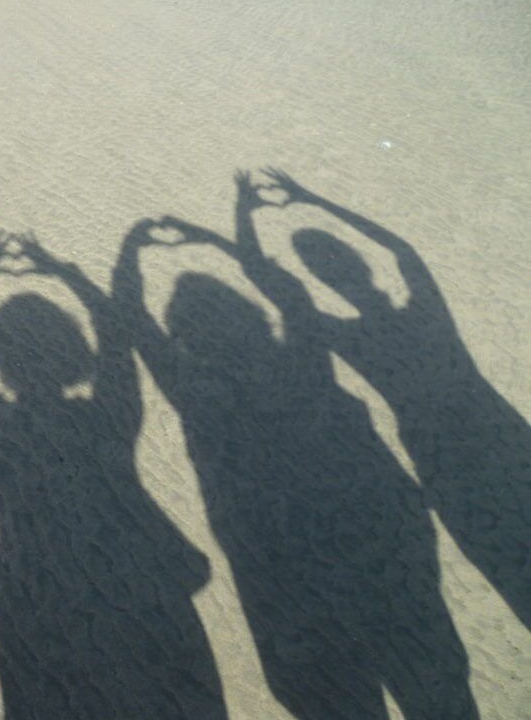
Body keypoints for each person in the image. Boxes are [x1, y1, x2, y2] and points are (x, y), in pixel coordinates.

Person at [123, 174, 478, 719]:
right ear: (250, 316)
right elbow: (286, 291)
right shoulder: (303, 359)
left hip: (287, 579)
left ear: (185, 338)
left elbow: (131, 320)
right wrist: (222, 234)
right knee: (440, 694)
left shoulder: (198, 399)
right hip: (384, 545)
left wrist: (131, 249)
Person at [0, 230, 227, 719]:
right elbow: (114, 333)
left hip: (40, 604)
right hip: (144, 591)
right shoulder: (108, 417)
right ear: (74, 349)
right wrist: (63, 270)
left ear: (3, 360)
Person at [262, 168, 530, 629]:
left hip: (444, 464)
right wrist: (315, 200)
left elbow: (282, 293)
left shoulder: (352, 338)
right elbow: (402, 249)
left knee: (507, 574)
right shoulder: (427, 311)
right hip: (505, 436)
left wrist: (237, 227)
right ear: (362, 268)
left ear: (325, 281)